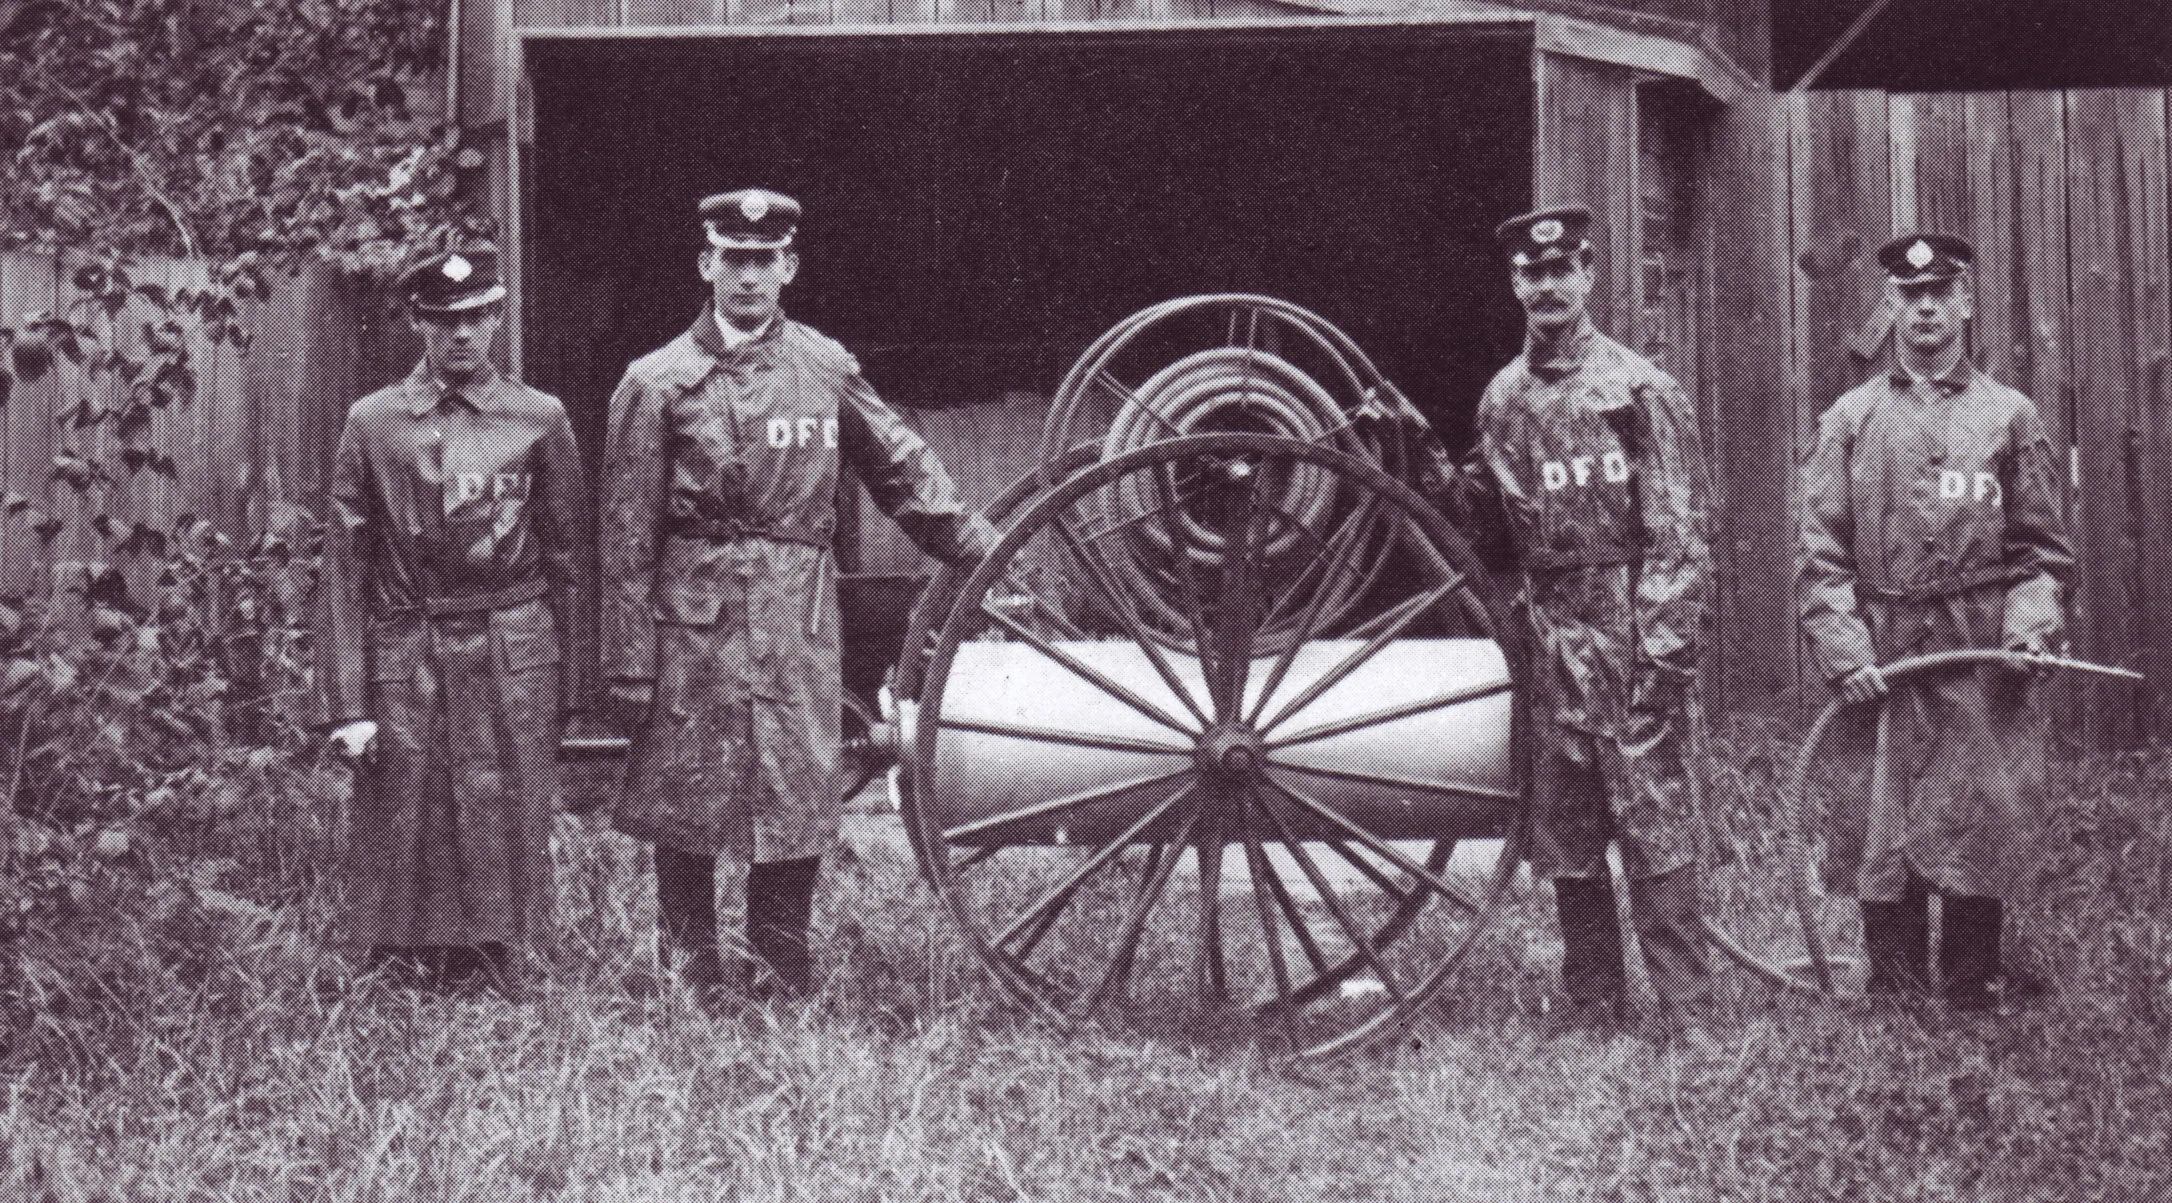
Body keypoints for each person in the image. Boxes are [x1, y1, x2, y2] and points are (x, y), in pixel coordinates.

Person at [598, 188, 994, 1004]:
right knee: (687, 792)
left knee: (796, 785)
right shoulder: (656, 381)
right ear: (706, 264)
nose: (747, 278)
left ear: (789, 267)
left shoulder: (824, 367)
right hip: (693, 616)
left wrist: (983, 549)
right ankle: (690, 976)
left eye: (763, 261)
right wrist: (629, 661)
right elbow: (627, 535)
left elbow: (903, 469)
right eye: (732, 260)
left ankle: (783, 972)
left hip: (795, 612)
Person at [1456, 204, 1716, 1034]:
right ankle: (1593, 1002)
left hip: (1630, 628)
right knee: (1567, 827)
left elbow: (1680, 532)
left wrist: (1661, 655)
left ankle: (1688, 1010)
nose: (1546, 287)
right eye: (1531, 274)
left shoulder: (1641, 389)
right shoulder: (1504, 399)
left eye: (1561, 269)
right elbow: (1489, 526)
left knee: (1656, 818)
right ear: (1512, 284)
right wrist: (1431, 477)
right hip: (1550, 633)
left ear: (1590, 272)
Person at [1799, 232, 2075, 1012]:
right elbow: (1819, 552)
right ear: (1890, 306)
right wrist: (1845, 646)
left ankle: (1970, 987)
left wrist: (2029, 626)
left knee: (1975, 813)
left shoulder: (2008, 417)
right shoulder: (1851, 419)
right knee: (1877, 818)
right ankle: (1892, 988)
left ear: (1964, 302)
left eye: (1939, 293)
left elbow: (2043, 554)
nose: (1924, 309)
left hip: (1978, 650)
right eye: (1908, 295)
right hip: (1883, 652)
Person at [315, 245, 589, 991]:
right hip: (410, 645)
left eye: (475, 317)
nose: (460, 334)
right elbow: (346, 564)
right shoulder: (373, 423)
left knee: (505, 805)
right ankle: (402, 970)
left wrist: (571, 682)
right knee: (407, 806)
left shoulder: (539, 418)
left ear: (497, 316)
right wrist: (347, 702)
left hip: (511, 642)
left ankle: (498, 967)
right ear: (417, 323)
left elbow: (568, 556)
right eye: (443, 320)